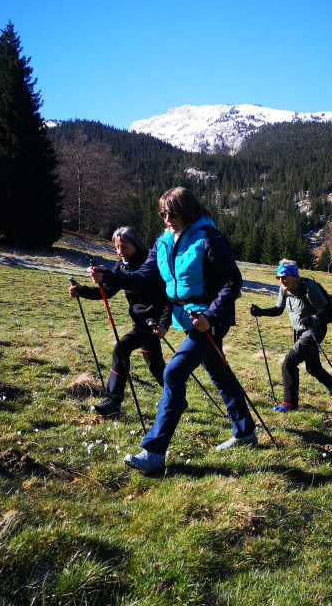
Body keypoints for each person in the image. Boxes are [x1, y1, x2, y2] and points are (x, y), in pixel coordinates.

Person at [88, 187, 256, 473]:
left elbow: (232, 281)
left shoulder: (209, 238)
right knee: (218, 372)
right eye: (163, 213)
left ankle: (154, 452)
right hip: (187, 318)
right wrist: (111, 275)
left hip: (209, 319)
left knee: (173, 372)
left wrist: (211, 317)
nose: (166, 218)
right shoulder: (164, 241)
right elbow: (144, 277)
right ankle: (245, 433)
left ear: (187, 211)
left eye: (172, 213)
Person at [70, 226, 171, 417]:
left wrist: (164, 323)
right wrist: (81, 290)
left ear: (137, 246)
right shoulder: (122, 266)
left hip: (153, 321)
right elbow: (106, 292)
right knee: (156, 366)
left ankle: (113, 401)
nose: (120, 252)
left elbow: (167, 298)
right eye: (117, 248)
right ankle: (177, 399)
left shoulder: (150, 265)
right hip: (139, 321)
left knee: (121, 348)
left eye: (125, 247)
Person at [250, 259, 332, 412]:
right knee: (313, 368)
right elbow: (278, 309)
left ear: (294, 276)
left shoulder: (308, 287)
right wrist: (261, 312)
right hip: (302, 331)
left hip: (316, 330)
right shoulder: (284, 289)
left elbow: (325, 310)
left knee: (289, 362)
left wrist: (313, 318)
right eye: (278, 277)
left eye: (284, 277)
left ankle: (290, 403)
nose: (281, 280)